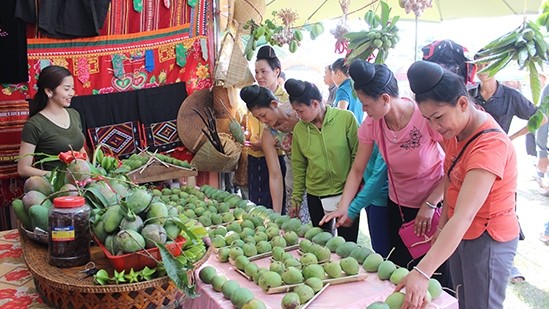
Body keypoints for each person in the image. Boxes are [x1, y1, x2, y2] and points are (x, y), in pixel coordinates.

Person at [397, 60, 519, 309]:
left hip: (488, 238)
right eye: (428, 119)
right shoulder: (457, 132)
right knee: (464, 301)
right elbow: (452, 185)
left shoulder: (489, 145)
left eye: (439, 117)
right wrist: (440, 230)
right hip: (460, 234)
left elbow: (464, 215)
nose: (435, 128)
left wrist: (422, 273)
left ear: (463, 103)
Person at [337, 59, 452, 287]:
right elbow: (357, 169)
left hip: (435, 206)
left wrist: (430, 204)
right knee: (399, 271)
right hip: (398, 208)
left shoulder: (425, 117)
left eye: (366, 105)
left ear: (385, 99)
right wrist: (344, 205)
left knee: (434, 276)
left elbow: (454, 166)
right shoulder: (372, 124)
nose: (364, 111)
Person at [285, 78, 360, 241]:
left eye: (300, 111)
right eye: (296, 112)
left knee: (348, 245)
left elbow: (358, 156)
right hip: (316, 196)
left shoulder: (346, 119)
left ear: (314, 104)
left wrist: (354, 191)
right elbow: (299, 166)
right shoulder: (299, 130)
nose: (298, 116)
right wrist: (296, 199)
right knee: (321, 245)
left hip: (346, 195)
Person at [239, 84, 309, 222]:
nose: (263, 121)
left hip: (318, 180)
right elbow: (275, 175)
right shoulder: (268, 134)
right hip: (294, 185)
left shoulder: (298, 111)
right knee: (298, 231)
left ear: (274, 104)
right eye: (258, 119)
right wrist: (276, 213)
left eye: (263, 115)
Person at [320, 141, 390, 256]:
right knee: (378, 248)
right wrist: (344, 206)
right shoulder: (368, 127)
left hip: (384, 198)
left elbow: (378, 176)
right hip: (370, 196)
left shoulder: (388, 134)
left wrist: (352, 209)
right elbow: (357, 170)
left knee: (386, 252)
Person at [18, 65, 86, 177]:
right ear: (49, 91)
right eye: (66, 89)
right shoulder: (34, 125)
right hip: (55, 186)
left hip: (81, 181)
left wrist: (88, 172)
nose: (72, 93)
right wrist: (59, 176)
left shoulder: (74, 114)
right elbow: (23, 169)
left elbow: (81, 150)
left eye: (72, 88)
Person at [246, 45, 288, 208]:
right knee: (257, 207)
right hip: (254, 158)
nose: (259, 76)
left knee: (278, 205)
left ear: (276, 71)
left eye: (264, 72)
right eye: (256, 72)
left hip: (278, 158)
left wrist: (264, 143)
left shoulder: (287, 101)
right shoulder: (253, 97)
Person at [331, 58, 364, 123]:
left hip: (347, 131)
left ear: (338, 73)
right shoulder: (356, 86)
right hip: (359, 130)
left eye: (332, 74)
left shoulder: (342, 90)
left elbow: (341, 114)